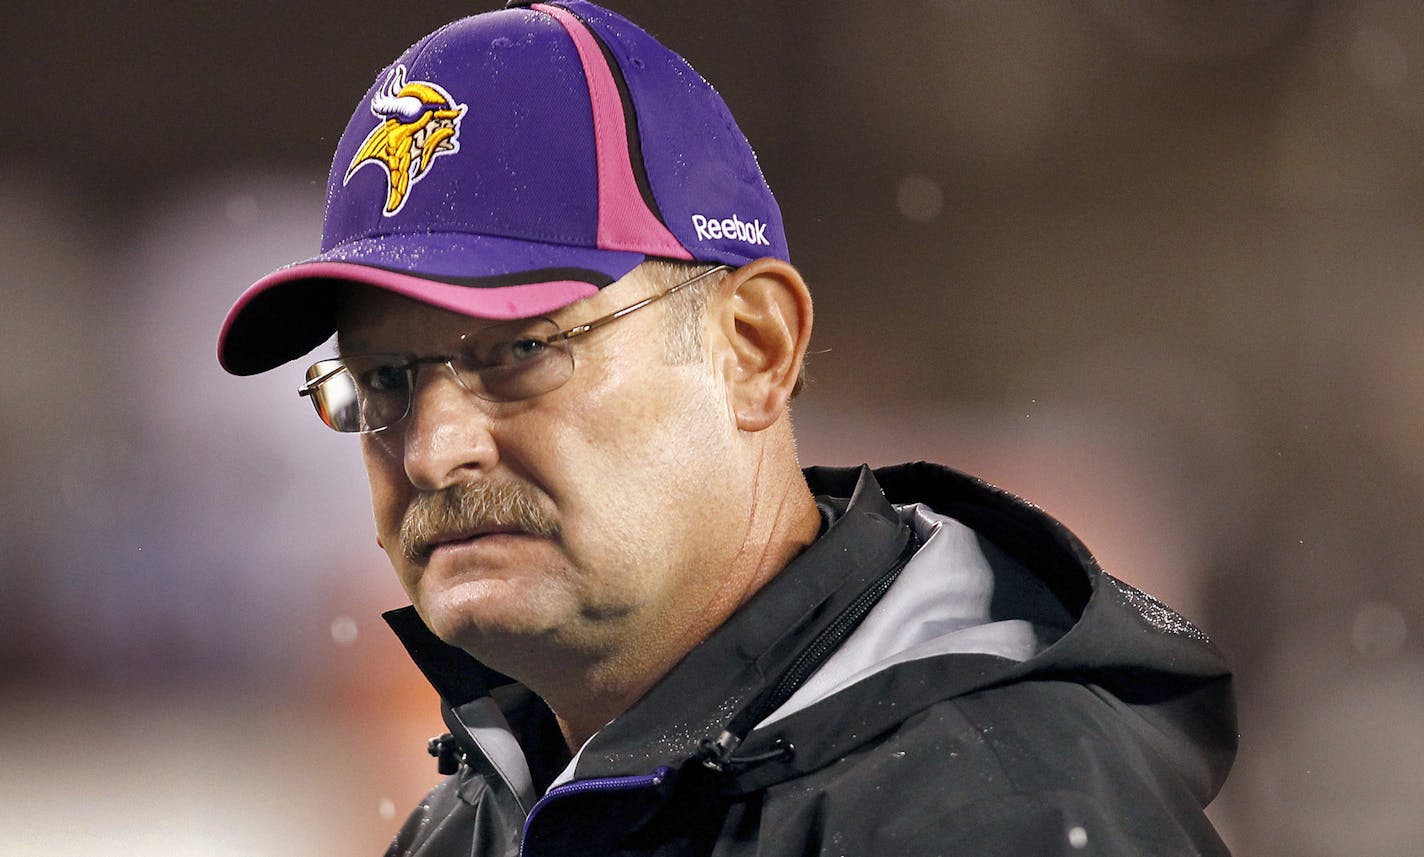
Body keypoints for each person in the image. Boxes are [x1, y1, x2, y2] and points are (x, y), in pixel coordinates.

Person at [217, 2, 1236, 855]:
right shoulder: (477, 817)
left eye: (518, 350)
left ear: (751, 347)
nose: (434, 449)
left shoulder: (991, 813)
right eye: (383, 378)